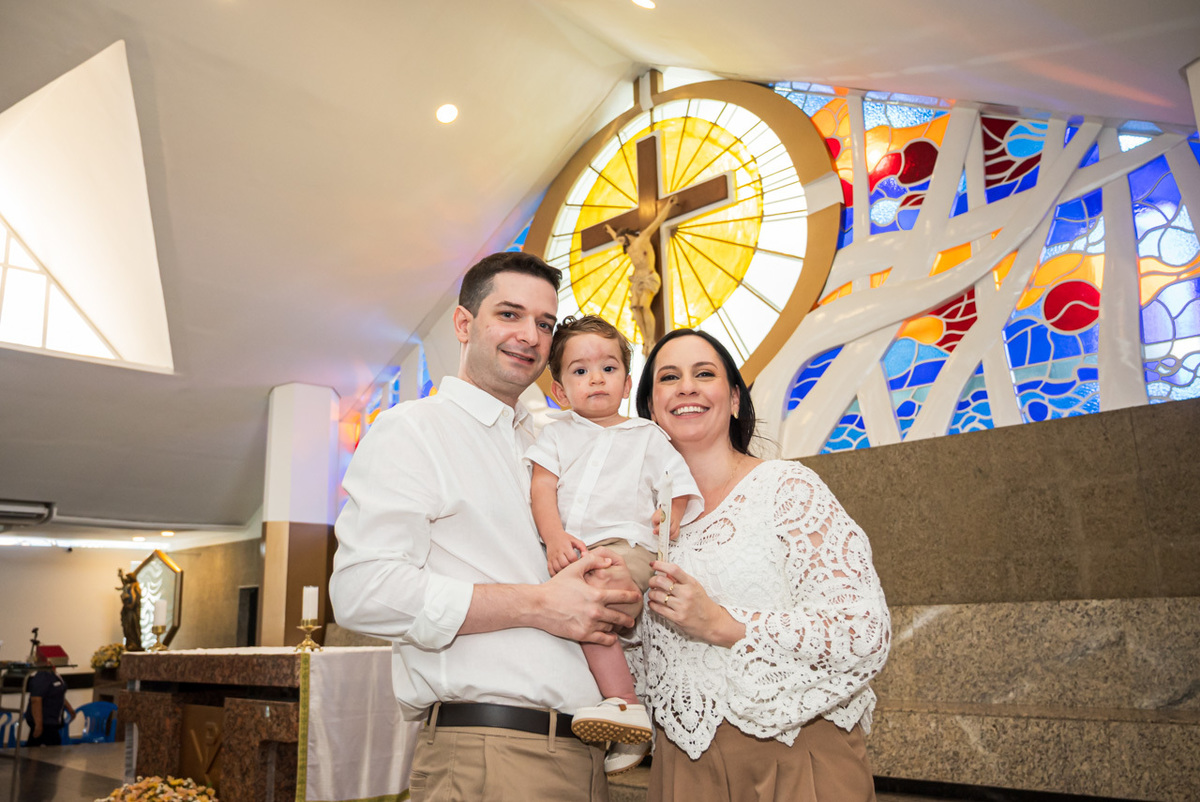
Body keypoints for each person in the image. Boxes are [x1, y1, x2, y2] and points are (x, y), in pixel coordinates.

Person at [329, 251, 643, 802]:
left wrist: (617, 594)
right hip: (490, 750)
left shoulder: (554, 437)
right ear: (463, 323)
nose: (530, 335)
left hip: (585, 750)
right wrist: (537, 604)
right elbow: (362, 592)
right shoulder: (414, 430)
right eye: (510, 314)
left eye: (545, 324)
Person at [631, 328, 891, 802]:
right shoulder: (640, 518)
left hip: (797, 754)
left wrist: (722, 623)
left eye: (703, 373)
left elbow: (863, 630)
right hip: (681, 767)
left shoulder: (786, 489)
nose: (686, 386)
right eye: (669, 377)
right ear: (651, 408)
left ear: (733, 399)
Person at [525, 315, 702, 775]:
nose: (596, 378)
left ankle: (623, 703)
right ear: (560, 391)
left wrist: (671, 518)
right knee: (579, 615)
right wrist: (554, 537)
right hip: (576, 553)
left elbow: (677, 488)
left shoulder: (648, 436)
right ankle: (623, 714)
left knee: (595, 598)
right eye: (580, 371)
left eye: (608, 368)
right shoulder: (556, 434)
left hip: (629, 547)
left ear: (626, 383)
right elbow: (541, 490)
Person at [605, 196, 678, 356]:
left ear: (626, 235)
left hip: (649, 277)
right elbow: (615, 239)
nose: (622, 244)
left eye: (622, 239)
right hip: (637, 280)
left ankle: (651, 341)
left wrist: (668, 206)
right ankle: (645, 341)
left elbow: (657, 222)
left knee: (644, 306)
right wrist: (610, 230)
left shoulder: (643, 238)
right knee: (636, 308)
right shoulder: (630, 248)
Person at [24, 666, 74, 747]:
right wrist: (38, 724)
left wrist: (70, 709)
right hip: (44, 720)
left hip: (52, 720)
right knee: (49, 747)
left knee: (37, 745)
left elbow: (58, 695)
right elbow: (36, 700)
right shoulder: (42, 676)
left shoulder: (54, 675)